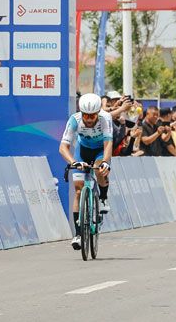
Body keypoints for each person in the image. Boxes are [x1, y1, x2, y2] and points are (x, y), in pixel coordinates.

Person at [58, 93, 113, 250]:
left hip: (100, 151)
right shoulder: (74, 120)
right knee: (78, 190)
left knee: (100, 171)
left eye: (92, 116)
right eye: (86, 115)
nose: (89, 119)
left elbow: (108, 144)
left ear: (98, 113)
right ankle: (78, 234)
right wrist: (74, 162)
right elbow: (63, 147)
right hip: (82, 151)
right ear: (81, 112)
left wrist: (105, 162)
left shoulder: (105, 118)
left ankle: (103, 198)